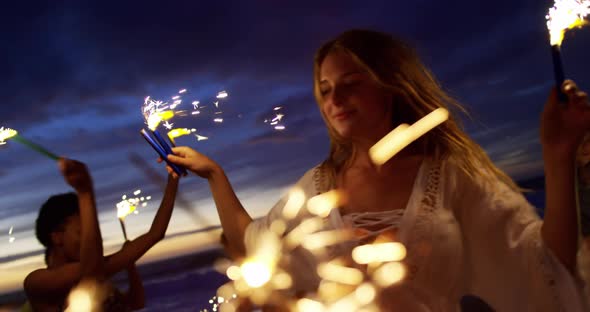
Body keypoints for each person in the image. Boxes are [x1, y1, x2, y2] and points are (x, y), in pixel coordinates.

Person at [165, 29, 590, 310]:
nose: (334, 100)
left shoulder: (451, 177)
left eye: (352, 82)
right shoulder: (318, 187)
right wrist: (215, 175)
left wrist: (558, 155)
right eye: (325, 89)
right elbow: (255, 242)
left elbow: (546, 263)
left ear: (389, 85)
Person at [24, 158, 179, 311]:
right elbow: (89, 271)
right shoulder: (36, 283)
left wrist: (173, 178)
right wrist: (85, 193)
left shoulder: (99, 274)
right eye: (82, 232)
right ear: (57, 236)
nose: (90, 240)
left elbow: (135, 303)